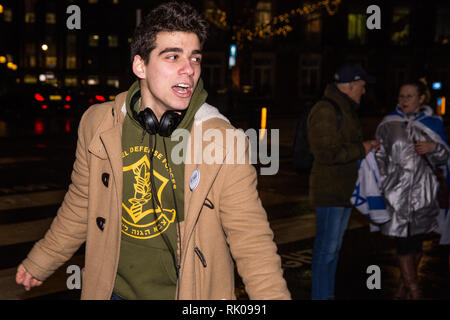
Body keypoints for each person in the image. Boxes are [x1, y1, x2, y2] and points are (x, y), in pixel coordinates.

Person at [15, 2, 290, 300]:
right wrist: (41, 261)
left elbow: (251, 240)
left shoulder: (223, 141)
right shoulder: (98, 124)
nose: (189, 69)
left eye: (194, 58)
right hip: (111, 292)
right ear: (140, 66)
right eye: (173, 56)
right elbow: (82, 203)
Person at [307, 63, 378, 300]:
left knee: (332, 250)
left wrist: (364, 148)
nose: (364, 91)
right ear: (349, 86)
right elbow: (326, 153)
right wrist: (363, 148)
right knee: (326, 251)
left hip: (342, 191)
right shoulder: (327, 110)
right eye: (361, 86)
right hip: (331, 193)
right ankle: (321, 296)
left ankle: (326, 295)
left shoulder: (344, 107)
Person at [375, 79, 450, 300]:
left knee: (416, 243)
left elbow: (445, 157)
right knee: (403, 242)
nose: (404, 100)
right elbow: (379, 159)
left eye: (409, 96)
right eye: (401, 96)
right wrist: (384, 183)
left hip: (425, 194)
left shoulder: (433, 123)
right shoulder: (388, 124)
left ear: (421, 99)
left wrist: (433, 148)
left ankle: (402, 288)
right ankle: (415, 291)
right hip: (396, 194)